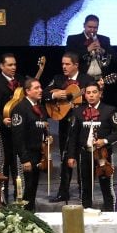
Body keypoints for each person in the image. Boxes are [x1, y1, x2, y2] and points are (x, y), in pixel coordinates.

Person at [67, 83, 117, 210]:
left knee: (106, 187)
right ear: (85, 95)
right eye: (88, 93)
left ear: (100, 94)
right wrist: (71, 156)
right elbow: (73, 136)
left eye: (94, 92)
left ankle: (110, 215)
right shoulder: (77, 111)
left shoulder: (109, 110)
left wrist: (104, 141)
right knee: (85, 187)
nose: (91, 95)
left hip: (103, 154)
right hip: (85, 154)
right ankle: (86, 216)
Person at [47, 52, 95, 202]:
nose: (64, 67)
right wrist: (55, 96)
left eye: (67, 64)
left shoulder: (87, 80)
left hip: (82, 125)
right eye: (62, 64)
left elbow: (94, 97)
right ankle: (63, 192)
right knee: (65, 157)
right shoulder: (58, 79)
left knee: (83, 158)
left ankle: (84, 191)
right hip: (65, 124)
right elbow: (44, 94)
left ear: (76, 65)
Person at [0, 53, 24, 202]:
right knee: (5, 158)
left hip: (18, 126)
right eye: (10, 65)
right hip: (3, 127)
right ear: (2, 66)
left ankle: (19, 195)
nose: (13, 67)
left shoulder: (21, 80)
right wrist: (3, 120)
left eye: (14, 64)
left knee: (18, 158)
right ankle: (2, 197)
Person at [6, 77, 49, 205]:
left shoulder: (41, 108)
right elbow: (17, 136)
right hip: (25, 155)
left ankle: (31, 216)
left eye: (40, 87)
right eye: (36, 88)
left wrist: (47, 137)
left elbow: (42, 126)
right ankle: (21, 218)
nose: (40, 90)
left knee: (32, 188)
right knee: (24, 189)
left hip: (38, 153)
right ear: (27, 91)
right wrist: (24, 159)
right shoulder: (20, 109)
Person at [66, 14, 113, 81]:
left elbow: (116, 59)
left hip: (101, 79)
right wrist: (87, 50)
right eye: (90, 27)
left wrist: (103, 51)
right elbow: (68, 59)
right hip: (81, 79)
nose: (92, 30)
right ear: (84, 25)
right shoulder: (73, 39)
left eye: (95, 28)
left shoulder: (104, 40)